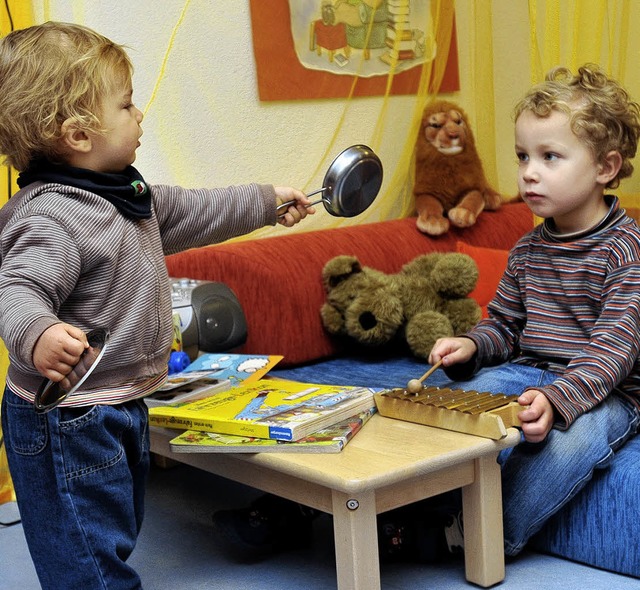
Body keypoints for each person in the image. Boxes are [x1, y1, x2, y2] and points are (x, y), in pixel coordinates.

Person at [212, 63, 640, 564]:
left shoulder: (624, 250)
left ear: (606, 168)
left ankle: (469, 535)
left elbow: (614, 349)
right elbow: (503, 326)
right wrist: (473, 345)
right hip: (526, 371)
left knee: (568, 444)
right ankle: (307, 506)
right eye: (523, 155)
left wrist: (557, 397)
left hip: (606, 393)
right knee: (429, 405)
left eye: (550, 157)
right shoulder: (528, 249)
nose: (528, 171)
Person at [0, 21, 314, 589]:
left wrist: (264, 203)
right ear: (77, 133)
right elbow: (17, 291)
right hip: (68, 417)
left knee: (115, 527)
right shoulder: (51, 215)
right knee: (86, 555)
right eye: (126, 105)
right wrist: (39, 333)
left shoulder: (123, 195)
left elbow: (193, 210)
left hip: (120, 401)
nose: (139, 114)